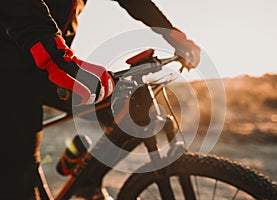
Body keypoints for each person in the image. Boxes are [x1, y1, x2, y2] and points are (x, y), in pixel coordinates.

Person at [0, 0, 200, 199]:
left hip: (53, 68)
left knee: (136, 112)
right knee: (20, 178)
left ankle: (87, 181)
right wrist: (53, 54)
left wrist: (172, 34)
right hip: (11, 73)